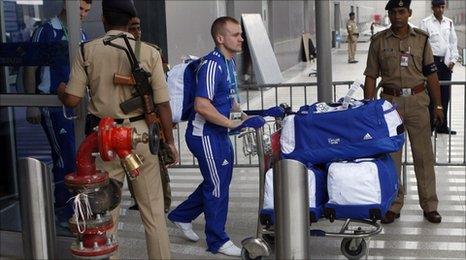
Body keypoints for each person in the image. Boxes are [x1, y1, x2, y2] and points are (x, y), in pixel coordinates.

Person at [57, 0, 178, 258]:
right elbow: (163, 105)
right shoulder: (149, 52)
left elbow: (72, 99)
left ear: (103, 20)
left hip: (104, 140)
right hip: (142, 136)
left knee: (105, 213)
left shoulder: (87, 51)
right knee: (154, 213)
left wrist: (60, 92)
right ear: (130, 20)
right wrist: (169, 141)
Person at [167, 16, 245, 257]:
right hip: (205, 136)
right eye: (235, 34)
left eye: (241, 34)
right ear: (220, 38)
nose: (241, 38)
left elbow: (227, 100)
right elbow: (202, 105)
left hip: (218, 133)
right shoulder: (212, 65)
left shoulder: (229, 63)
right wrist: (231, 123)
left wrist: (244, 114)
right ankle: (217, 240)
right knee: (217, 186)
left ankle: (181, 216)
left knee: (219, 182)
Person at [363, 0, 444, 224]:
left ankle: (429, 205)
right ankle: (392, 205)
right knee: (391, 159)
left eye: (401, 12)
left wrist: (438, 106)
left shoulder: (422, 39)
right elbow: (370, 75)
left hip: (418, 102)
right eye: (393, 12)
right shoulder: (378, 41)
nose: (397, 16)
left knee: (424, 157)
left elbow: (431, 75)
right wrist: (368, 109)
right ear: (388, 14)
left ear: (409, 13)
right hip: (390, 105)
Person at [23, 0, 92, 227]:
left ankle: (74, 209)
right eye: (80, 8)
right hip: (53, 105)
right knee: (66, 158)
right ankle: (64, 212)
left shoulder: (80, 33)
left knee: (74, 156)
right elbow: (30, 66)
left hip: (75, 105)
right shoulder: (45, 30)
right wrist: (31, 103)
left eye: (86, 11)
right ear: (67, 5)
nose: (82, 14)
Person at [127, 16, 172, 213]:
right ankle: (139, 198)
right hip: (132, 113)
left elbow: (163, 81)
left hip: (151, 112)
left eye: (138, 28)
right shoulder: (115, 50)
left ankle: (164, 201)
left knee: (159, 158)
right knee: (131, 164)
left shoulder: (150, 51)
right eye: (132, 28)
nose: (137, 32)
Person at [421, 0, 460, 135]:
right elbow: (423, 45)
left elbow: (453, 42)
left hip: (446, 63)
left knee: (445, 95)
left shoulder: (449, 22)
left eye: (443, 7)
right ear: (433, 8)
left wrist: (454, 60)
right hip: (432, 62)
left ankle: (442, 126)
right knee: (432, 95)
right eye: (438, 7)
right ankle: (431, 126)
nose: (440, 10)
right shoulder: (426, 23)